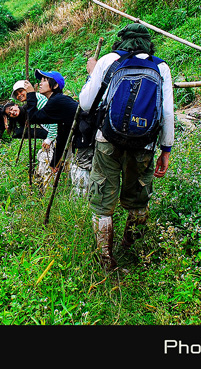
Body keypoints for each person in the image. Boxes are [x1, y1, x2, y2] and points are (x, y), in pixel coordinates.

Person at [79, 23, 175, 271]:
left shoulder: (109, 60)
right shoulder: (160, 66)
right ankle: (130, 249)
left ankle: (105, 259)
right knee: (138, 201)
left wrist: (92, 72)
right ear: (148, 42)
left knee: (103, 202)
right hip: (144, 144)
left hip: (107, 141)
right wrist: (166, 149)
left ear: (122, 40)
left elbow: (86, 104)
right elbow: (166, 113)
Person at [23, 70, 79, 172]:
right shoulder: (58, 101)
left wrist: (31, 94)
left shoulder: (57, 101)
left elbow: (33, 117)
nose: (40, 83)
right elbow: (62, 134)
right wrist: (54, 163)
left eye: (44, 80)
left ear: (55, 85)